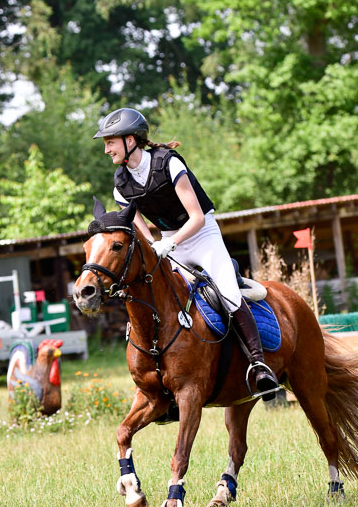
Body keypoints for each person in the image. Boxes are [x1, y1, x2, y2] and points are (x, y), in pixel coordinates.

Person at [93, 107, 279, 400]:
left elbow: (197, 217)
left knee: (228, 294)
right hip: (168, 243)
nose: (106, 149)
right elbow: (141, 232)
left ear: (130, 139)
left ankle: (258, 364)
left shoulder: (169, 164)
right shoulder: (121, 185)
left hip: (201, 236)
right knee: (158, 297)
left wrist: (171, 242)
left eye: (110, 141)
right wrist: (158, 247)